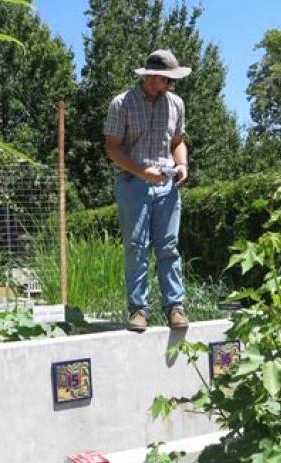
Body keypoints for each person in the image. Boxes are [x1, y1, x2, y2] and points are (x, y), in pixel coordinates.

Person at [103, 49, 191, 332]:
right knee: (136, 248)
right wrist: (141, 172)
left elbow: (177, 140)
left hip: (167, 185)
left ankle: (175, 307)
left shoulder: (176, 103)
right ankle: (138, 310)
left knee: (168, 248)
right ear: (153, 76)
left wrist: (183, 164)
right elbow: (112, 148)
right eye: (167, 79)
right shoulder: (122, 103)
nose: (170, 84)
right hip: (133, 185)